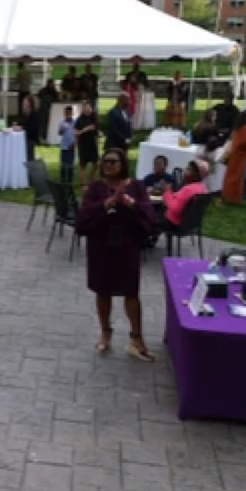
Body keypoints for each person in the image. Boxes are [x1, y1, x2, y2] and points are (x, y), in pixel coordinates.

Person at [77, 148, 157, 362]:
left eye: (113, 161)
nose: (108, 165)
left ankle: (137, 339)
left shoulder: (137, 186)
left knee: (131, 292)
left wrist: (129, 202)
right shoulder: (95, 188)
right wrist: (109, 202)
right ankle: (105, 333)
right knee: (103, 291)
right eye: (105, 161)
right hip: (101, 247)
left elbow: (149, 216)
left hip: (127, 246)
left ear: (123, 164)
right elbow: (83, 218)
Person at [161, 160, 208, 227]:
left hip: (174, 223)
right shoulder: (202, 188)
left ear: (196, 176)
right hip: (191, 224)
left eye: (188, 169)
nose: (184, 171)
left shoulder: (188, 189)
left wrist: (166, 192)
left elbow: (174, 209)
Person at [75, 101, 99, 186]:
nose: (88, 109)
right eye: (86, 108)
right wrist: (85, 129)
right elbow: (76, 133)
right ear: (83, 109)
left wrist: (97, 142)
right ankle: (82, 184)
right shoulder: (79, 120)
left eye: (89, 108)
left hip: (92, 144)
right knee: (83, 166)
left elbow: (96, 131)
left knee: (96, 164)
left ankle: (92, 181)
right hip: (83, 145)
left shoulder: (94, 118)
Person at [15, 95, 38, 163]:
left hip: (30, 139)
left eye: (25, 103)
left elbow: (33, 127)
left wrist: (21, 128)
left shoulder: (34, 114)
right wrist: (16, 125)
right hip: (23, 139)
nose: (23, 105)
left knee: (29, 158)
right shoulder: (24, 114)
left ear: (29, 104)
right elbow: (20, 123)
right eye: (23, 103)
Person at [57, 105, 77, 183]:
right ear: (64, 113)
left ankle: (69, 181)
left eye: (69, 113)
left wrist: (74, 143)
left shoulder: (75, 122)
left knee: (70, 165)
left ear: (72, 113)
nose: (68, 114)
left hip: (71, 146)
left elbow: (77, 134)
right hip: (63, 146)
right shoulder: (61, 122)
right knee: (63, 165)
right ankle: (63, 181)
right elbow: (59, 133)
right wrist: (62, 129)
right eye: (66, 113)